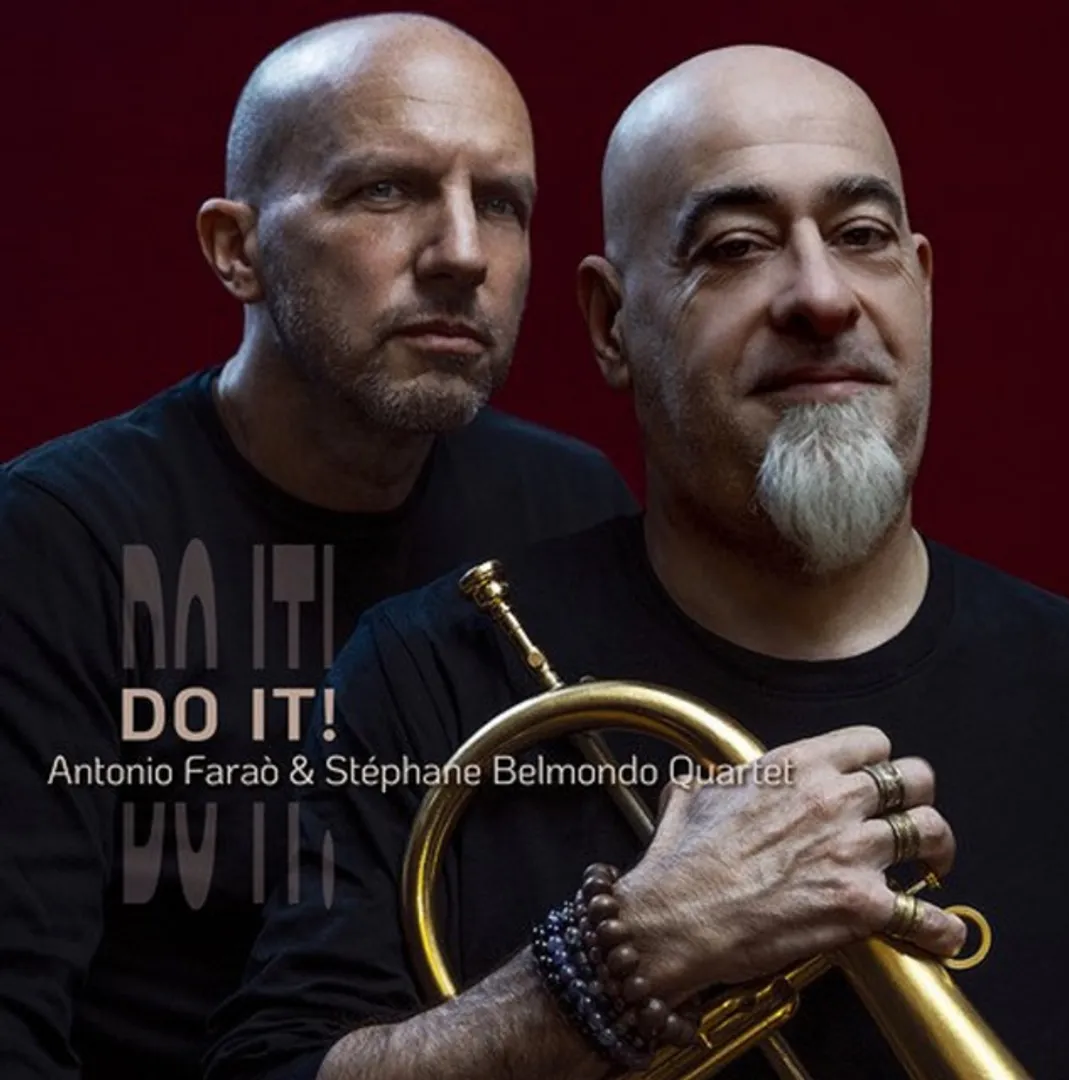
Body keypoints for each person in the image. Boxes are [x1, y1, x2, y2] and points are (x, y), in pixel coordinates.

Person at [203, 41, 1069, 1080]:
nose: (822, 296)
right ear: (612, 325)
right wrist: (639, 948)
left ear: (921, 285)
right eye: (736, 247)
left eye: (861, 236)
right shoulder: (431, 671)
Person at [0, 13, 638, 1080]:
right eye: (385, 190)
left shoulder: (568, 505)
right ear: (237, 249)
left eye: (501, 203)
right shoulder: (56, 540)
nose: (462, 254)